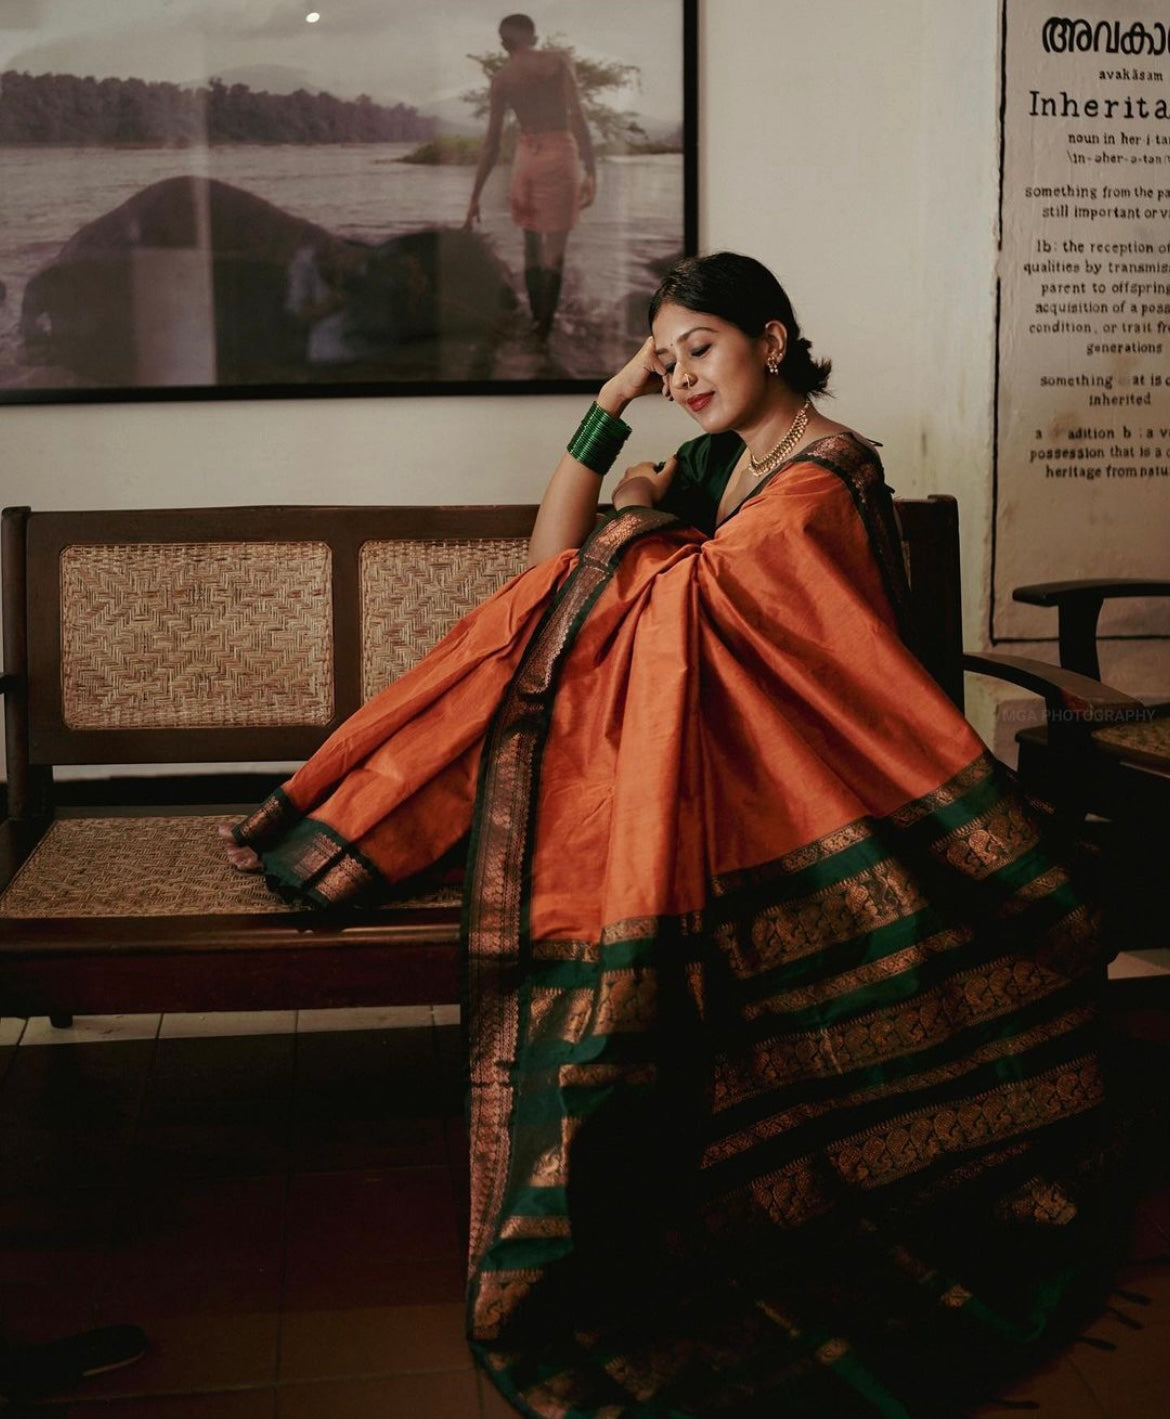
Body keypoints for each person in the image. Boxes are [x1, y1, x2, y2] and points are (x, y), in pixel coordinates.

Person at [223, 252, 1119, 1417]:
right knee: (565, 630)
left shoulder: (825, 473)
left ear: (775, 340)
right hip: (724, 765)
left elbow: (702, 602)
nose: (680, 376)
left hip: (829, 774)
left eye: (700, 348)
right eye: (664, 357)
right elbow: (556, 567)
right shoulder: (712, 461)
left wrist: (640, 520)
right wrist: (605, 418)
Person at [463, 13, 596, 340]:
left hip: (527, 158)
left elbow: (491, 144)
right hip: (560, 154)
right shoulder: (559, 62)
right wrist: (592, 169)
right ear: (534, 37)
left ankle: (535, 322)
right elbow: (577, 116)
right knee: (555, 249)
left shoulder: (503, 78)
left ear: (503, 43)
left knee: (530, 242)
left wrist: (474, 198)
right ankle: (546, 327)